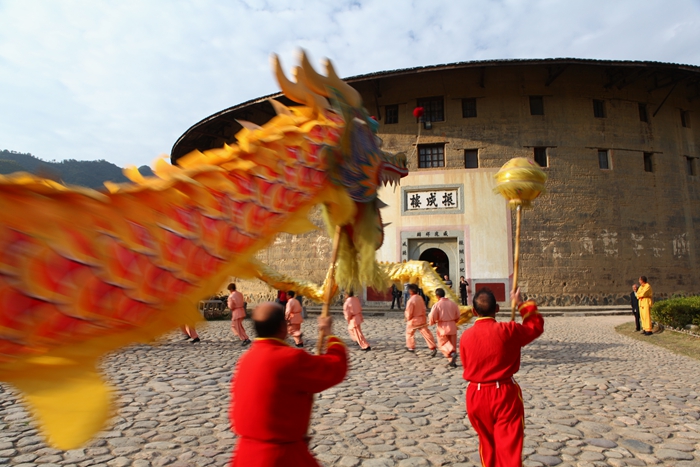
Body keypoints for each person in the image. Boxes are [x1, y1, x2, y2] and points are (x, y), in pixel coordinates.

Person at [229, 302, 348, 466]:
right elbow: (334, 368)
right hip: (279, 457)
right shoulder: (290, 358)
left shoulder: (245, 360)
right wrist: (329, 335)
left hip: (245, 455)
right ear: (282, 327)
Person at [459, 287, 544, 467]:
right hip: (503, 393)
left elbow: (467, 364)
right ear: (497, 309)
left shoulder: (466, 336)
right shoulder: (509, 330)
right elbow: (535, 327)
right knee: (508, 446)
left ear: (474, 311)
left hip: (476, 394)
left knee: (487, 443)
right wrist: (521, 303)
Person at [428, 288, 460, 367]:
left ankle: (452, 353)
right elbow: (458, 315)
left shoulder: (437, 305)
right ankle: (452, 361)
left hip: (443, 326)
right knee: (452, 344)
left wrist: (431, 322)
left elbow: (432, 316)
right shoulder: (453, 304)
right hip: (452, 325)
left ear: (437, 296)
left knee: (442, 344)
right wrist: (454, 321)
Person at [405, 284, 437, 356]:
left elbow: (409, 312)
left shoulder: (410, 301)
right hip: (422, 319)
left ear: (410, 291)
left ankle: (411, 347)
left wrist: (407, 318)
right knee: (426, 333)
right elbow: (424, 308)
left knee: (409, 333)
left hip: (413, 320)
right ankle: (433, 347)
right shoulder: (420, 298)